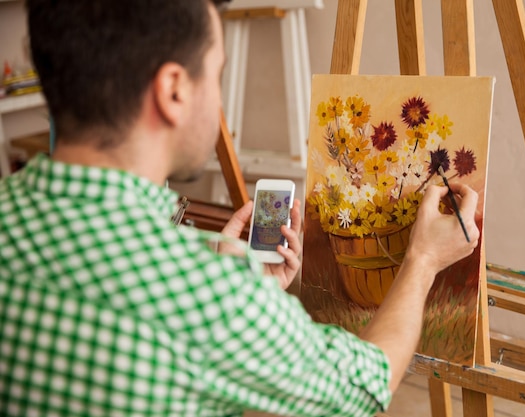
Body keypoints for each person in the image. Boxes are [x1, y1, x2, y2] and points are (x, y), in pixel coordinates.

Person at [0, 0, 480, 415]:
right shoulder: (205, 295)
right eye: (216, 73)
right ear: (173, 91)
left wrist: (231, 287)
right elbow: (364, 383)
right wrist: (422, 260)